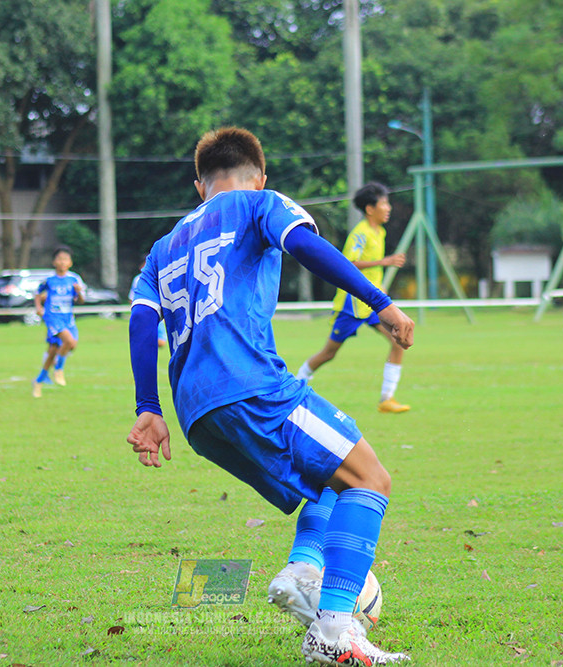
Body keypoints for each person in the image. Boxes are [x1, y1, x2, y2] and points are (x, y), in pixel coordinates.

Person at [127, 127, 414, 665]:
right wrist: (381, 303)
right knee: (371, 478)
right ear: (260, 176)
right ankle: (334, 631)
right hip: (252, 386)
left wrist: (148, 408)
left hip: (195, 416)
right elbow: (306, 245)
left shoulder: (161, 249)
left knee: (333, 476)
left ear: (199, 185)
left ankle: (304, 568)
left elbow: (142, 325)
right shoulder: (262, 203)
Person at [294, 182, 411, 414]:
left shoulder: (380, 231)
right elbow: (347, 264)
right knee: (329, 353)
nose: (388, 208)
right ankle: (297, 385)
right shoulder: (361, 233)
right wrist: (384, 262)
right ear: (370, 209)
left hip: (371, 305)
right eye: (384, 203)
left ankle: (387, 398)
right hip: (351, 304)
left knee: (398, 341)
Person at [31, 246, 84, 395]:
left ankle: (39, 380)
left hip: (68, 319)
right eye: (59, 259)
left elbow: (80, 300)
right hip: (53, 317)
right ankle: (59, 369)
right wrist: (38, 307)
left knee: (54, 350)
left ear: (70, 262)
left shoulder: (74, 279)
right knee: (69, 342)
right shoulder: (49, 280)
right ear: (54, 262)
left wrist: (79, 292)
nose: (62, 262)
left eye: (65, 259)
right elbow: (37, 293)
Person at [128, 260, 168, 349]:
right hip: (145, 311)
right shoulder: (138, 279)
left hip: (157, 312)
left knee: (161, 342)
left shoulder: (160, 277)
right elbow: (132, 298)